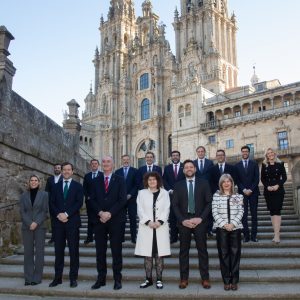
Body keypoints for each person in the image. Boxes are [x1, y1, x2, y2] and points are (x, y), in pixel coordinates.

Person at [172, 159, 212, 290]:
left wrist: (200, 218)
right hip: (184, 222)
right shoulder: (178, 185)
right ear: (183, 170)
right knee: (184, 251)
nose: (189, 169)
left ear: (195, 169)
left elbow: (209, 203)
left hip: (200, 221)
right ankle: (184, 279)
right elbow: (175, 205)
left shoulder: (204, 183)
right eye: (186, 167)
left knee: (203, 251)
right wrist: (183, 220)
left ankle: (205, 278)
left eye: (191, 167)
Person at [89, 156, 127, 290]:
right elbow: (91, 200)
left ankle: (117, 279)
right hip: (99, 221)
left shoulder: (120, 180)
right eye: (103, 162)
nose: (105, 164)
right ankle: (101, 279)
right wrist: (100, 212)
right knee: (100, 252)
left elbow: (122, 200)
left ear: (113, 164)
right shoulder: (95, 181)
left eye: (108, 162)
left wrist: (109, 213)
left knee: (116, 251)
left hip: (116, 220)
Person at [49, 162, 83, 288]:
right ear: (62, 171)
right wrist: (59, 214)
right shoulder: (55, 186)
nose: (67, 171)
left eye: (69, 169)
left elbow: (79, 203)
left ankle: (73, 278)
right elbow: (51, 203)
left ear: (72, 171)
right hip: (58, 224)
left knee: (74, 251)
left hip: (72, 223)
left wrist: (67, 214)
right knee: (58, 252)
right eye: (64, 170)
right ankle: (57, 278)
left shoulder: (78, 186)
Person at [135, 172, 171, 289]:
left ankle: (159, 279)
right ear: (147, 181)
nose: (152, 182)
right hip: (147, 227)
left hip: (160, 228)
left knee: (159, 255)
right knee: (148, 255)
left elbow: (167, 208)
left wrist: (160, 221)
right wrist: (148, 222)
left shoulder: (165, 193)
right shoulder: (141, 193)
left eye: (154, 180)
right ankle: (148, 279)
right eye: (149, 180)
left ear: (158, 181)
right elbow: (139, 209)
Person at [212, 174, 244, 291]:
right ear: (221, 184)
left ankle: (234, 281)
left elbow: (241, 212)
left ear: (232, 183)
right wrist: (224, 224)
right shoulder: (216, 196)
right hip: (221, 229)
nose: (226, 183)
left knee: (235, 255)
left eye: (228, 181)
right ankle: (226, 280)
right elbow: (214, 212)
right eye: (224, 182)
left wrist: (232, 224)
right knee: (224, 255)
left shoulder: (238, 196)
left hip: (235, 228)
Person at [19, 175, 48, 286]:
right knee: (28, 253)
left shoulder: (45, 195)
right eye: (32, 180)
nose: (34, 182)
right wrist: (29, 223)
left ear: (39, 182)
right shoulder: (23, 196)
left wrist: (36, 222)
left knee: (39, 253)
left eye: (36, 180)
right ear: (29, 182)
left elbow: (45, 211)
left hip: (40, 226)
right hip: (27, 227)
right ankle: (28, 277)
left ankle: (37, 277)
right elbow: (22, 212)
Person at [261, 148, 287, 243]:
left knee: (277, 211)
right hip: (268, 191)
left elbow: (284, 177)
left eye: (271, 152)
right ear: (266, 156)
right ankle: (275, 232)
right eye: (268, 153)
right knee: (272, 211)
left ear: (274, 154)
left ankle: (277, 234)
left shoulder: (280, 164)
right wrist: (267, 186)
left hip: (278, 190)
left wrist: (278, 185)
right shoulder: (264, 165)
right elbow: (263, 178)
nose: (270, 154)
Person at [235, 146, 260, 243]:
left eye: (246, 151)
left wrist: (251, 189)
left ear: (249, 153)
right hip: (242, 193)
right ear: (241, 153)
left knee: (254, 215)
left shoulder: (254, 164)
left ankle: (254, 236)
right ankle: (246, 236)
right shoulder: (237, 165)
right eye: (243, 151)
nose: (245, 153)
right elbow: (237, 180)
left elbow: (256, 178)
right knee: (243, 215)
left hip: (253, 193)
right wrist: (244, 189)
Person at [115, 154, 139, 243]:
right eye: (124, 160)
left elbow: (136, 185)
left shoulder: (135, 171)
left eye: (127, 160)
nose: (126, 161)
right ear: (122, 161)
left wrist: (130, 194)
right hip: (121, 200)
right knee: (121, 220)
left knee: (133, 219)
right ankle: (121, 237)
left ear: (130, 161)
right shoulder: (117, 172)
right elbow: (116, 186)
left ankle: (134, 238)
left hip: (132, 199)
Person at [163, 150, 185, 243]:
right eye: (173, 155)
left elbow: (186, 178)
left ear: (179, 157)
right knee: (172, 218)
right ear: (171, 157)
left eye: (177, 155)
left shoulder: (184, 166)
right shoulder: (167, 168)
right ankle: (173, 237)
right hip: (171, 196)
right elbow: (164, 180)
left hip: (183, 196)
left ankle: (183, 237)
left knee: (182, 216)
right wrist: (168, 189)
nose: (175, 157)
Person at [83, 159, 101, 244]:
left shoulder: (102, 175)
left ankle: (99, 237)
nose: (94, 165)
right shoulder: (87, 176)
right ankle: (89, 237)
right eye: (92, 164)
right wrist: (88, 197)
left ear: (98, 165)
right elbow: (84, 189)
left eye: (95, 163)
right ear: (91, 165)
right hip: (89, 202)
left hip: (99, 202)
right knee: (90, 220)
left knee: (100, 220)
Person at [45, 163, 62, 244]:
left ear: (61, 169)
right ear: (54, 169)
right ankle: (53, 237)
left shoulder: (63, 178)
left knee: (61, 221)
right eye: (55, 168)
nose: (57, 169)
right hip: (52, 203)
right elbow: (47, 191)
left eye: (58, 168)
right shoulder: (50, 179)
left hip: (61, 203)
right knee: (53, 221)